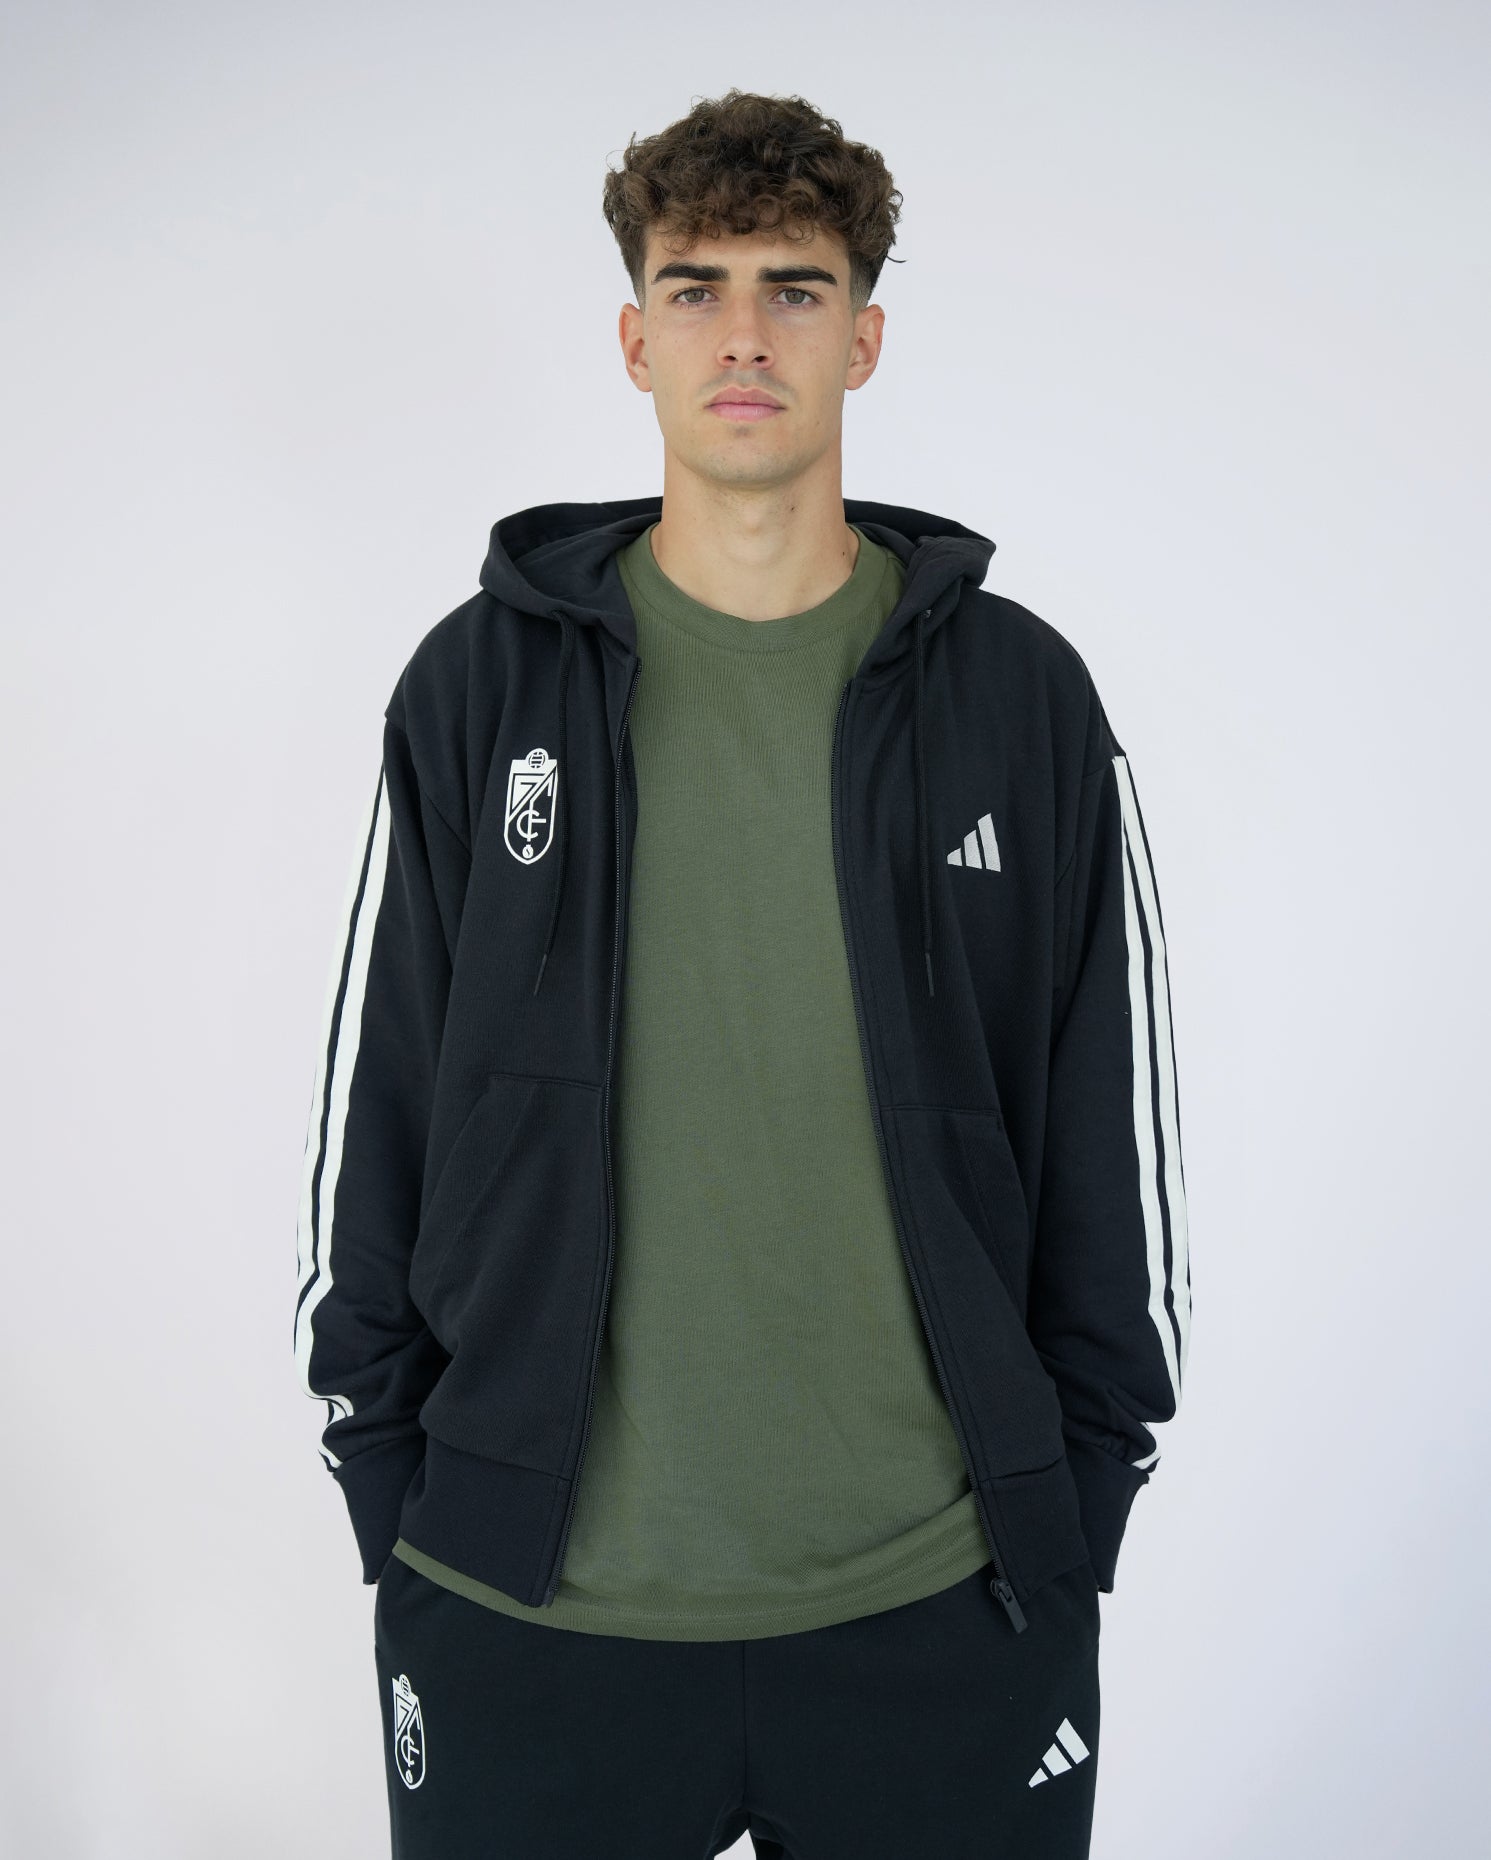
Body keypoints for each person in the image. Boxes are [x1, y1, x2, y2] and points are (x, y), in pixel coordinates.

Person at [293, 85, 1192, 1860]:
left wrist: (1076, 1500)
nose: (745, 336)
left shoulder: (1018, 698)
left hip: (943, 1609)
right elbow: (373, 1103)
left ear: (866, 337)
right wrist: (392, 1486)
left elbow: (1111, 1118)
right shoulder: (479, 690)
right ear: (636, 340)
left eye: (795, 287)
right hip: (527, 1612)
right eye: (695, 288)